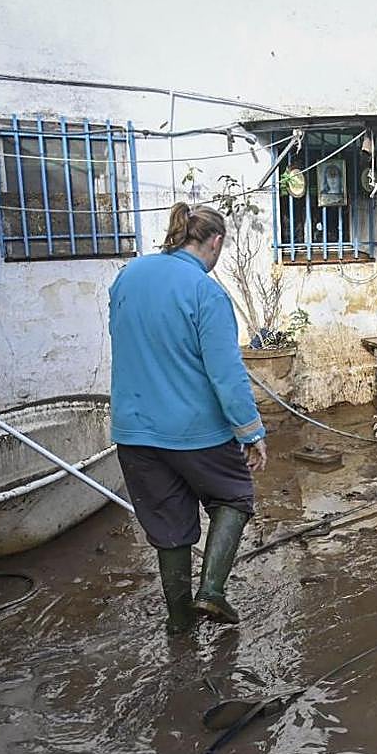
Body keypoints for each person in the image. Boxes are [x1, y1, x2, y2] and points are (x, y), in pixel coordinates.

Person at [108, 202, 267, 634]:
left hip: (134, 432)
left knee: (169, 527)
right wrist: (251, 431)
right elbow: (226, 373)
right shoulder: (205, 291)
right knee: (233, 496)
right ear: (214, 242)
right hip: (196, 431)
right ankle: (211, 592)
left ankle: (180, 624)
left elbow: (122, 340)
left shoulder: (129, 277)